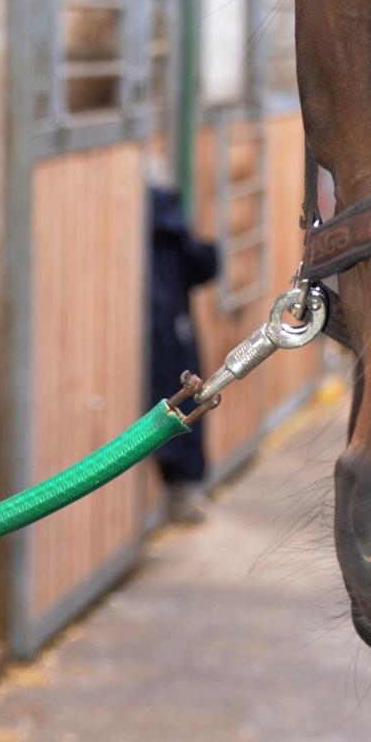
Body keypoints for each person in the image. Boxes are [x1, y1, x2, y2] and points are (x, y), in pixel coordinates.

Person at [148, 184, 220, 524]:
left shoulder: (162, 215)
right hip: (167, 330)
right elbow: (204, 263)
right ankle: (180, 486)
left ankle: (180, 487)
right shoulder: (164, 213)